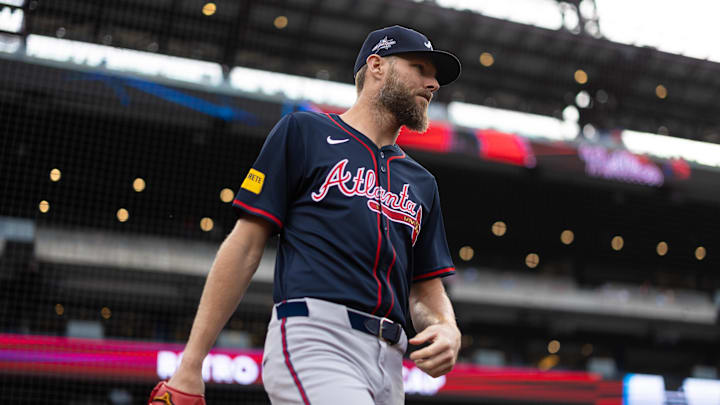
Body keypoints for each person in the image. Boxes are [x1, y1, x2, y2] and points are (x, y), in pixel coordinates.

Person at [150, 25, 462, 405]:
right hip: (318, 338)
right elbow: (245, 246)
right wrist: (191, 363)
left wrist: (446, 327)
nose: (433, 84)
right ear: (377, 66)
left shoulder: (422, 182)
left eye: (435, 77)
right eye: (420, 68)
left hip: (390, 363)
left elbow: (426, 287)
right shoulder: (305, 132)